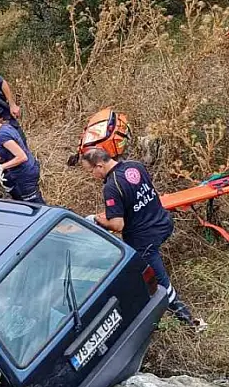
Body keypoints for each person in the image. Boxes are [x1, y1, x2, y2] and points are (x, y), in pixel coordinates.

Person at [73, 108, 207, 331]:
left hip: (143, 239)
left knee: (161, 283)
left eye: (91, 172)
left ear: (99, 165)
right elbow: (137, 198)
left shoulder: (111, 187)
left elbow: (118, 225)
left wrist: (99, 220)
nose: (92, 176)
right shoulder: (135, 166)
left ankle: (189, 321)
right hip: (163, 222)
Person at [0, 103, 43, 203]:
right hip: (25, 171)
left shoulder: (2, 136)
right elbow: (0, 154)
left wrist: (3, 166)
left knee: (37, 205)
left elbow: (22, 157)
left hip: (25, 174)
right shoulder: (2, 128)